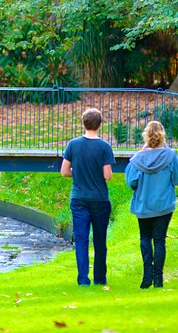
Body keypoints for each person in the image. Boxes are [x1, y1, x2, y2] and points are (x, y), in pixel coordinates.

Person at [125, 120, 178, 289]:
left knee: (145, 238)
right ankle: (158, 279)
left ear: (146, 135)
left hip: (144, 205)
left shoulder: (137, 159)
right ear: (162, 135)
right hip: (164, 205)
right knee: (159, 240)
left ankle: (146, 276)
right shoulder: (171, 156)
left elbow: (131, 183)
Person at [60, 108, 115, 286]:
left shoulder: (73, 145)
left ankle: (83, 279)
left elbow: (64, 171)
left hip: (79, 198)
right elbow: (107, 175)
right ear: (100, 124)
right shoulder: (105, 147)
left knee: (81, 239)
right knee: (100, 240)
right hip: (99, 198)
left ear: (83, 123)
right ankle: (100, 278)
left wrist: (77, 173)